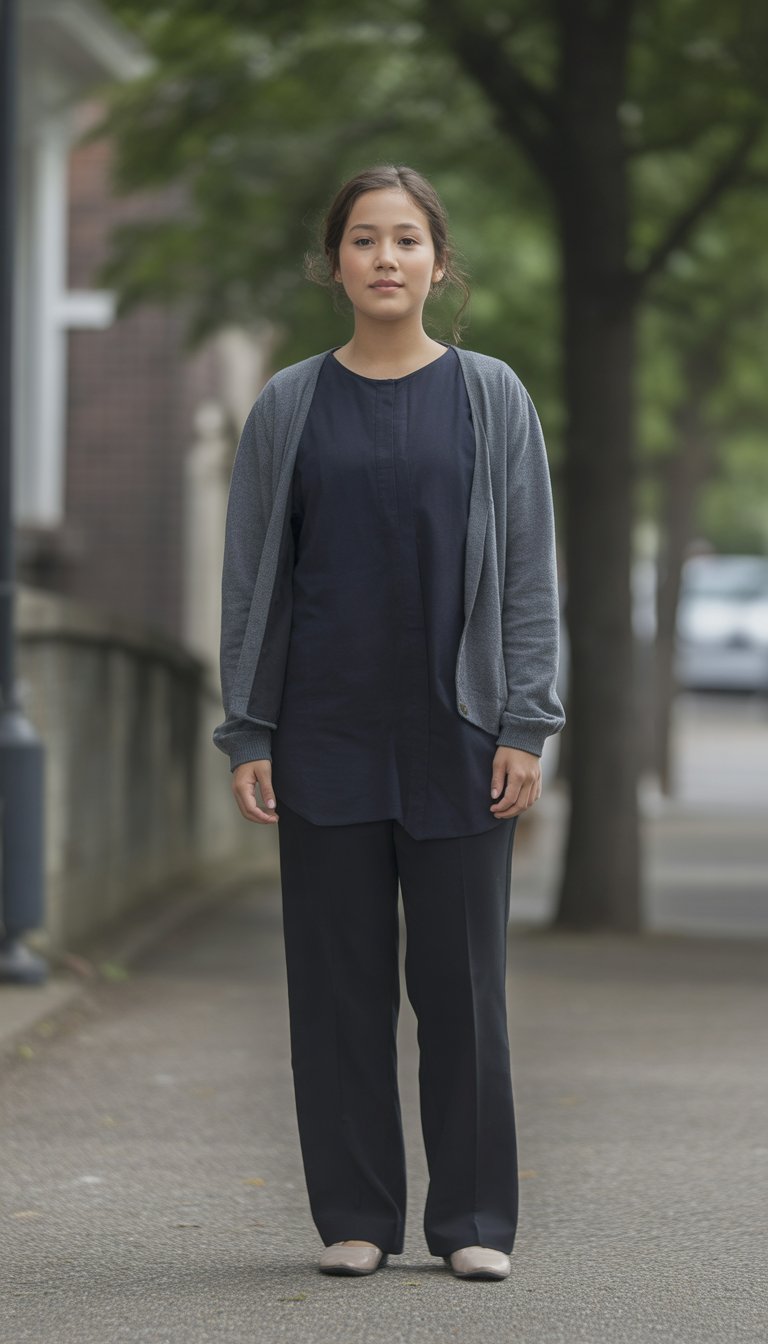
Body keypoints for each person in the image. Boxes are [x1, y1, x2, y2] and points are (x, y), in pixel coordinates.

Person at [213, 164, 566, 1281]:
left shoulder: (493, 397)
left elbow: (526, 577)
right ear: (336, 263)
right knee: (337, 993)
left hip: (462, 742)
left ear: (438, 263)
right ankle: (355, 1218)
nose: (384, 259)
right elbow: (254, 583)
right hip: (323, 742)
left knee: (464, 995)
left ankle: (472, 1225)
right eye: (364, 240)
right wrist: (251, 730)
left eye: (406, 240)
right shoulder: (286, 406)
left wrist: (526, 721)